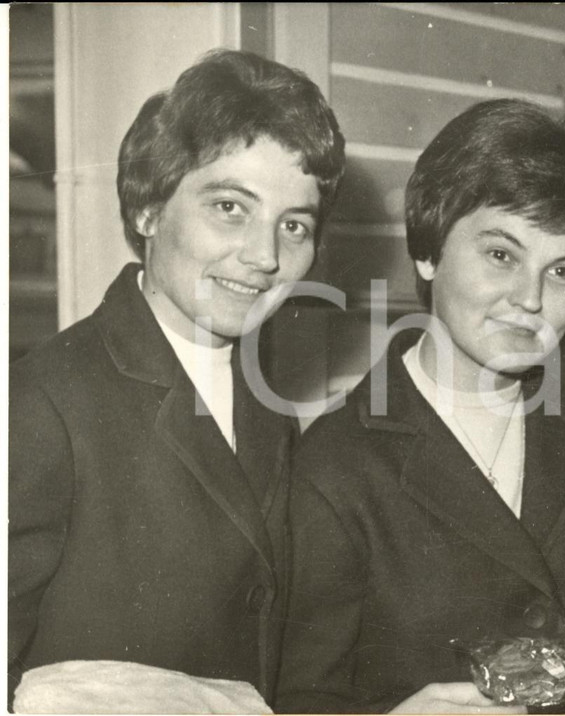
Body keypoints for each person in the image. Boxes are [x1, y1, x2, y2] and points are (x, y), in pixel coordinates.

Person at [276, 99, 565, 714]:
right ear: (428, 249)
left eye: (561, 271)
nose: (530, 298)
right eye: (501, 255)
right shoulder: (337, 466)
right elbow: (297, 697)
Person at [8, 49, 346, 710]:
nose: (266, 256)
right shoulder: (42, 405)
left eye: (295, 226)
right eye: (229, 207)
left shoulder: (266, 404)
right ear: (149, 208)